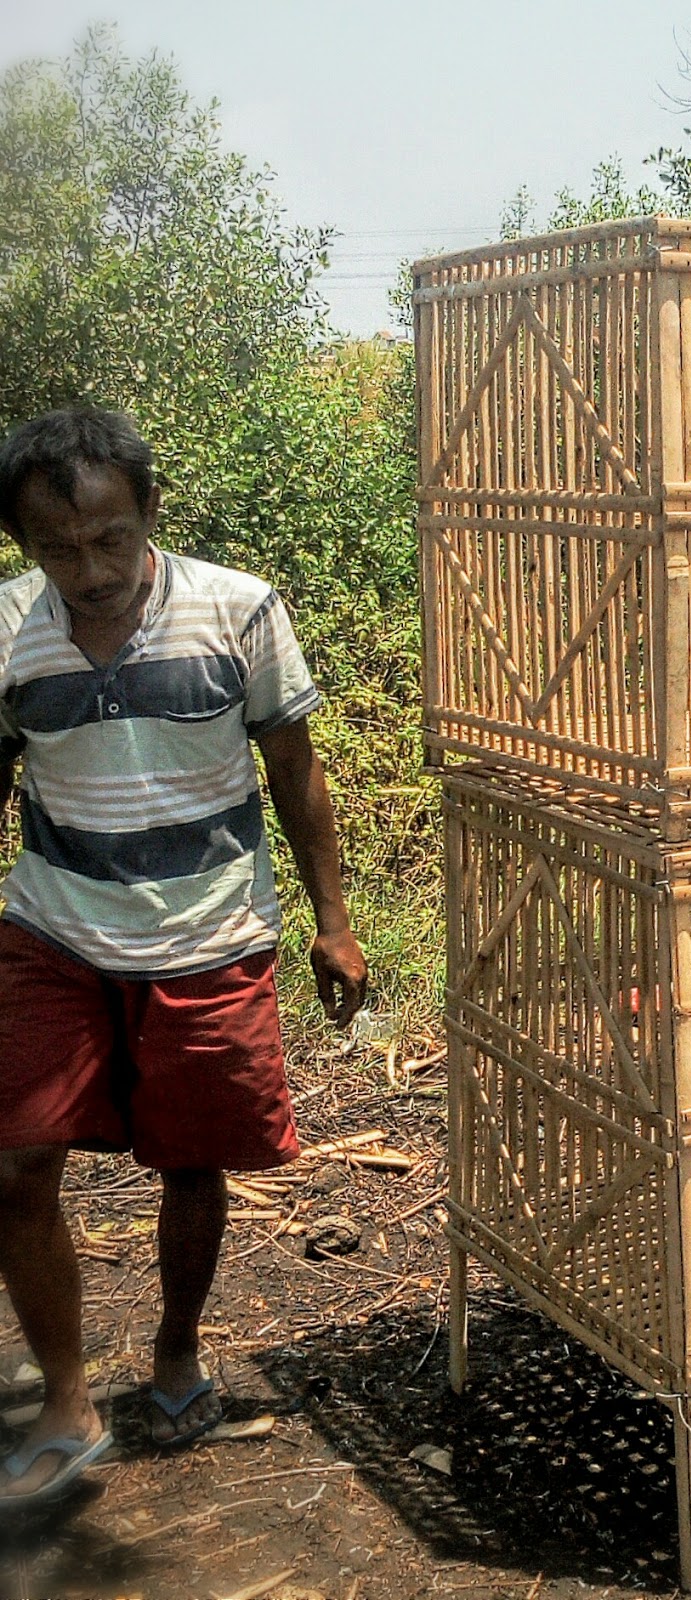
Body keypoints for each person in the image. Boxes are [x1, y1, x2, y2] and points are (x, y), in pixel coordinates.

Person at [0, 406, 368, 1507]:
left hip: (209, 932)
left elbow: (296, 769)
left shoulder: (239, 609)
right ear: (23, 543)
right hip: (53, 923)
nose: (90, 569)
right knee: (13, 1159)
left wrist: (333, 919)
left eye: (110, 537)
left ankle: (175, 1350)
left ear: (149, 512)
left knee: (190, 1161)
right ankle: (67, 1399)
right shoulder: (8, 627)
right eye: (58, 548)